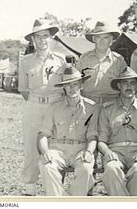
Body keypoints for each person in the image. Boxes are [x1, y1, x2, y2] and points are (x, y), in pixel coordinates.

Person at [18, 17, 67, 195]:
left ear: (51, 38)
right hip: (34, 107)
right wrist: (37, 102)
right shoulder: (26, 61)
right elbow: (23, 89)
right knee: (32, 148)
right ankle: (29, 188)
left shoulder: (61, 61)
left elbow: (65, 87)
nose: (42, 40)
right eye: (37, 37)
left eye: (45, 36)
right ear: (33, 39)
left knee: (55, 148)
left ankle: (54, 190)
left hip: (55, 107)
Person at [37, 66, 98, 196]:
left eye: (75, 84)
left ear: (81, 85)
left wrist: (89, 151)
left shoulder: (92, 108)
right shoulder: (54, 107)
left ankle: (70, 200)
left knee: (86, 169)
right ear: (63, 87)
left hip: (80, 149)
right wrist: (45, 151)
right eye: (68, 85)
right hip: (58, 149)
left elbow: (92, 137)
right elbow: (42, 134)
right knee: (48, 167)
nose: (72, 88)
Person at [98, 66, 137, 196]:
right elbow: (101, 140)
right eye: (125, 83)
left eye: (133, 83)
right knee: (111, 169)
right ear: (119, 85)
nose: (129, 87)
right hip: (115, 151)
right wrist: (107, 152)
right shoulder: (107, 109)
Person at [76, 21, 127, 104]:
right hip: (88, 103)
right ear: (94, 39)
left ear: (111, 40)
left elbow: (125, 85)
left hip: (111, 104)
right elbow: (76, 83)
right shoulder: (83, 59)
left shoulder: (119, 61)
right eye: (99, 37)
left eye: (106, 37)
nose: (102, 41)